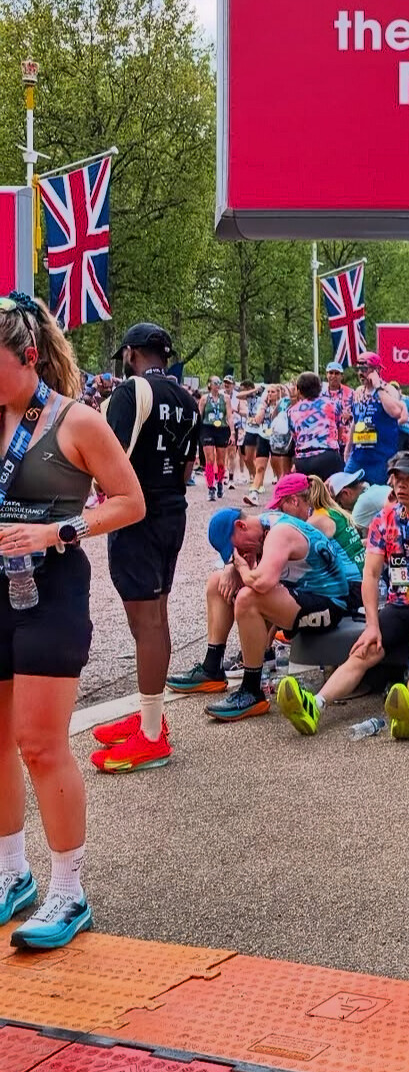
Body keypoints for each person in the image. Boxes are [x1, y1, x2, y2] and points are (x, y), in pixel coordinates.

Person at [0, 292, 145, 949]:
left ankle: (69, 889)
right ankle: (12, 874)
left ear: (28, 356)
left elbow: (130, 501)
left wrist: (58, 529)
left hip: (50, 589)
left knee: (39, 742)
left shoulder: (76, 420)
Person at [276, 452, 409, 741]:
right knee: (364, 650)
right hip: (398, 604)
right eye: (397, 478)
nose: (400, 485)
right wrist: (372, 625)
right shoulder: (385, 519)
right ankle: (314, 705)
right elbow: (370, 574)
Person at [90, 324, 201, 774]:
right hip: (173, 510)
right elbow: (188, 468)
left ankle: (152, 736)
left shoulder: (130, 391)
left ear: (131, 354)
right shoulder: (189, 400)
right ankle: (151, 714)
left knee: (145, 622)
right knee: (158, 614)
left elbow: (108, 458)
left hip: (137, 513)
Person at [174, 501, 362, 720]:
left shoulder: (279, 532)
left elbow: (262, 583)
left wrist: (240, 566)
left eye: (236, 548)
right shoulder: (261, 527)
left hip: (330, 605)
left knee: (248, 598)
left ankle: (252, 691)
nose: (239, 553)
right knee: (217, 582)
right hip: (301, 596)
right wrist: (231, 567)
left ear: (241, 526)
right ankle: (212, 668)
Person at [347, 353, 407, 483]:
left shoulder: (388, 389)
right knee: (344, 488)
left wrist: (377, 387)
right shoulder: (359, 391)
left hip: (380, 456)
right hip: (358, 455)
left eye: (364, 369)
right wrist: (348, 449)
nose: (360, 373)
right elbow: (356, 422)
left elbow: (395, 412)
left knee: (378, 492)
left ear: (377, 370)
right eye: (358, 369)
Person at [288, 371, 345, 479]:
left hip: (303, 459)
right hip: (328, 455)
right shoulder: (333, 404)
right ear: (320, 388)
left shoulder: (292, 411)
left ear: (299, 390)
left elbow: (295, 437)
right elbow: (339, 429)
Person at [303, 474, 365, 569]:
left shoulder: (315, 520)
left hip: (353, 575)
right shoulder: (336, 511)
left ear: (295, 501)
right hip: (363, 567)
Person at [198, 374, 231, 500]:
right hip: (207, 428)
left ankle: (220, 482)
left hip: (221, 429)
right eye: (215, 383)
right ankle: (210, 487)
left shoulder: (225, 398)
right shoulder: (204, 399)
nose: (217, 385)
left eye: (219, 383)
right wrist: (197, 431)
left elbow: (229, 416)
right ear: (209, 385)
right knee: (210, 460)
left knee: (221, 461)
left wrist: (232, 432)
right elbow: (199, 415)